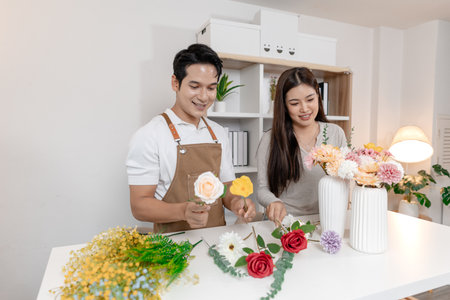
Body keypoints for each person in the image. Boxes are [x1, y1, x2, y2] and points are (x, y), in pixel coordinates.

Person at [126, 43, 256, 233]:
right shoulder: (150, 135)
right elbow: (139, 205)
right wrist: (183, 211)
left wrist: (237, 202)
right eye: (195, 86)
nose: (204, 97)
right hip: (171, 246)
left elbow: (226, 186)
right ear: (175, 83)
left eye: (211, 88)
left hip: (218, 240)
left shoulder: (219, 133)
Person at [257, 67, 347, 223]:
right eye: (294, 103)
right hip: (285, 222)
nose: (305, 108)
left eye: (310, 99)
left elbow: (345, 180)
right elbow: (262, 188)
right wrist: (273, 202)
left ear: (318, 97)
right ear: (284, 105)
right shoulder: (270, 139)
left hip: (326, 219)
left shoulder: (335, 133)